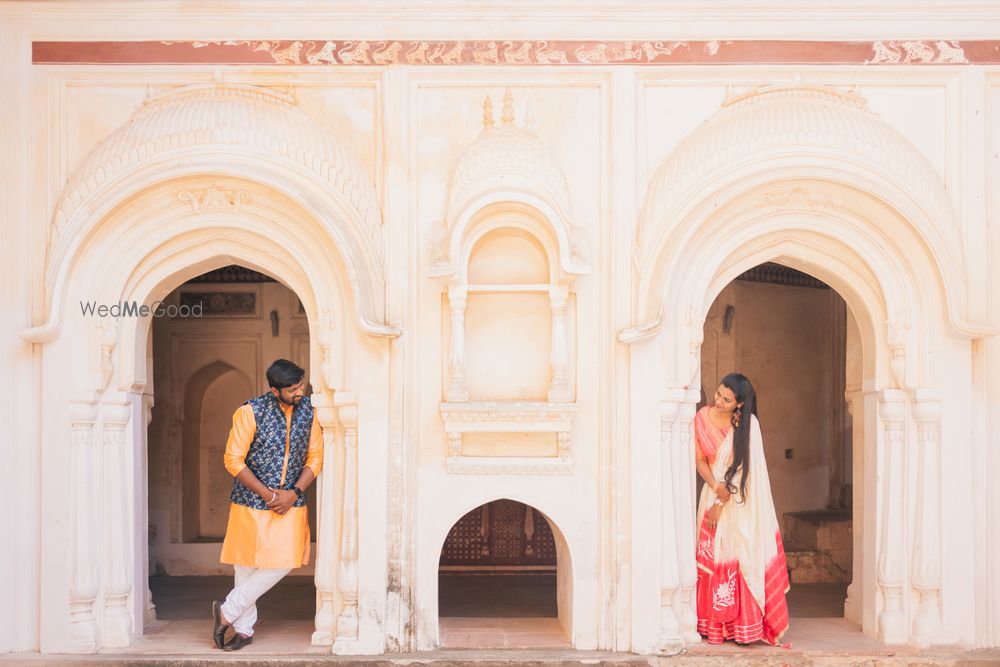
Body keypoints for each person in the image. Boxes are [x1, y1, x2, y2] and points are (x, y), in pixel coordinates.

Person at [210, 359, 323, 651]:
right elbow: (232, 459)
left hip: (292, 502)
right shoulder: (250, 412)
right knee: (246, 566)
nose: (299, 393)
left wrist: (292, 492)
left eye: (301, 386)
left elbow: (315, 459)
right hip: (250, 502)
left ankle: (227, 611)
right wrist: (268, 494)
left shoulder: (310, 412)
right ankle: (244, 630)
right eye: (292, 389)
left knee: (286, 560)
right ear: (275, 390)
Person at [694, 372, 790, 646]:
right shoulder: (702, 417)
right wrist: (715, 489)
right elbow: (701, 459)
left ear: (739, 404)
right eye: (718, 395)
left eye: (726, 399)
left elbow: (748, 469)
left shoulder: (748, 425)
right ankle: (712, 627)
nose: (718, 402)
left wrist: (722, 500)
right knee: (712, 559)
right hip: (713, 494)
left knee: (739, 558)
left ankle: (741, 627)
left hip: (738, 503)